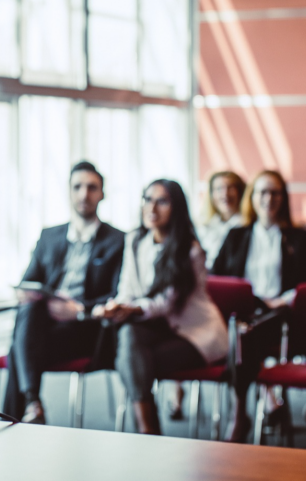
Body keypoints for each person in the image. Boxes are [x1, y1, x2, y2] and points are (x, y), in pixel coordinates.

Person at [95, 180, 228, 435]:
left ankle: (147, 432)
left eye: (162, 201)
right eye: (147, 199)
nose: (152, 207)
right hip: (157, 328)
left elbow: (166, 303)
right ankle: (149, 430)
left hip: (195, 333)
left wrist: (131, 310)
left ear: (176, 208)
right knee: (129, 340)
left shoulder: (190, 250)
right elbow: (127, 287)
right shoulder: (134, 239)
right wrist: (118, 306)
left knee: (131, 360)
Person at [3, 162, 125, 424]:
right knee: (30, 310)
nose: (84, 194)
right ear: (69, 192)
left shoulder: (118, 240)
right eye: (77, 187)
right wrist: (29, 295)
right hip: (44, 326)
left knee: (18, 348)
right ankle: (32, 403)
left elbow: (118, 294)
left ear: (102, 194)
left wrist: (80, 310)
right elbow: (30, 281)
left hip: (87, 330)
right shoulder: (49, 236)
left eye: (92, 188)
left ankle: (22, 411)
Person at [212, 169, 306, 441]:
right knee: (243, 331)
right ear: (252, 197)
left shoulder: (301, 239)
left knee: (246, 334)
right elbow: (217, 277)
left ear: (283, 198)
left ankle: (242, 413)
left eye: (275, 192)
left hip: (283, 315)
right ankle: (254, 406)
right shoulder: (236, 236)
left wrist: (280, 301)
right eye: (262, 192)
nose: (268, 198)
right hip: (243, 313)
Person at [197, 171, 246, 271]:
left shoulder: (247, 227)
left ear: (240, 192)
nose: (225, 194)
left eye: (231, 187)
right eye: (219, 189)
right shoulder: (204, 226)